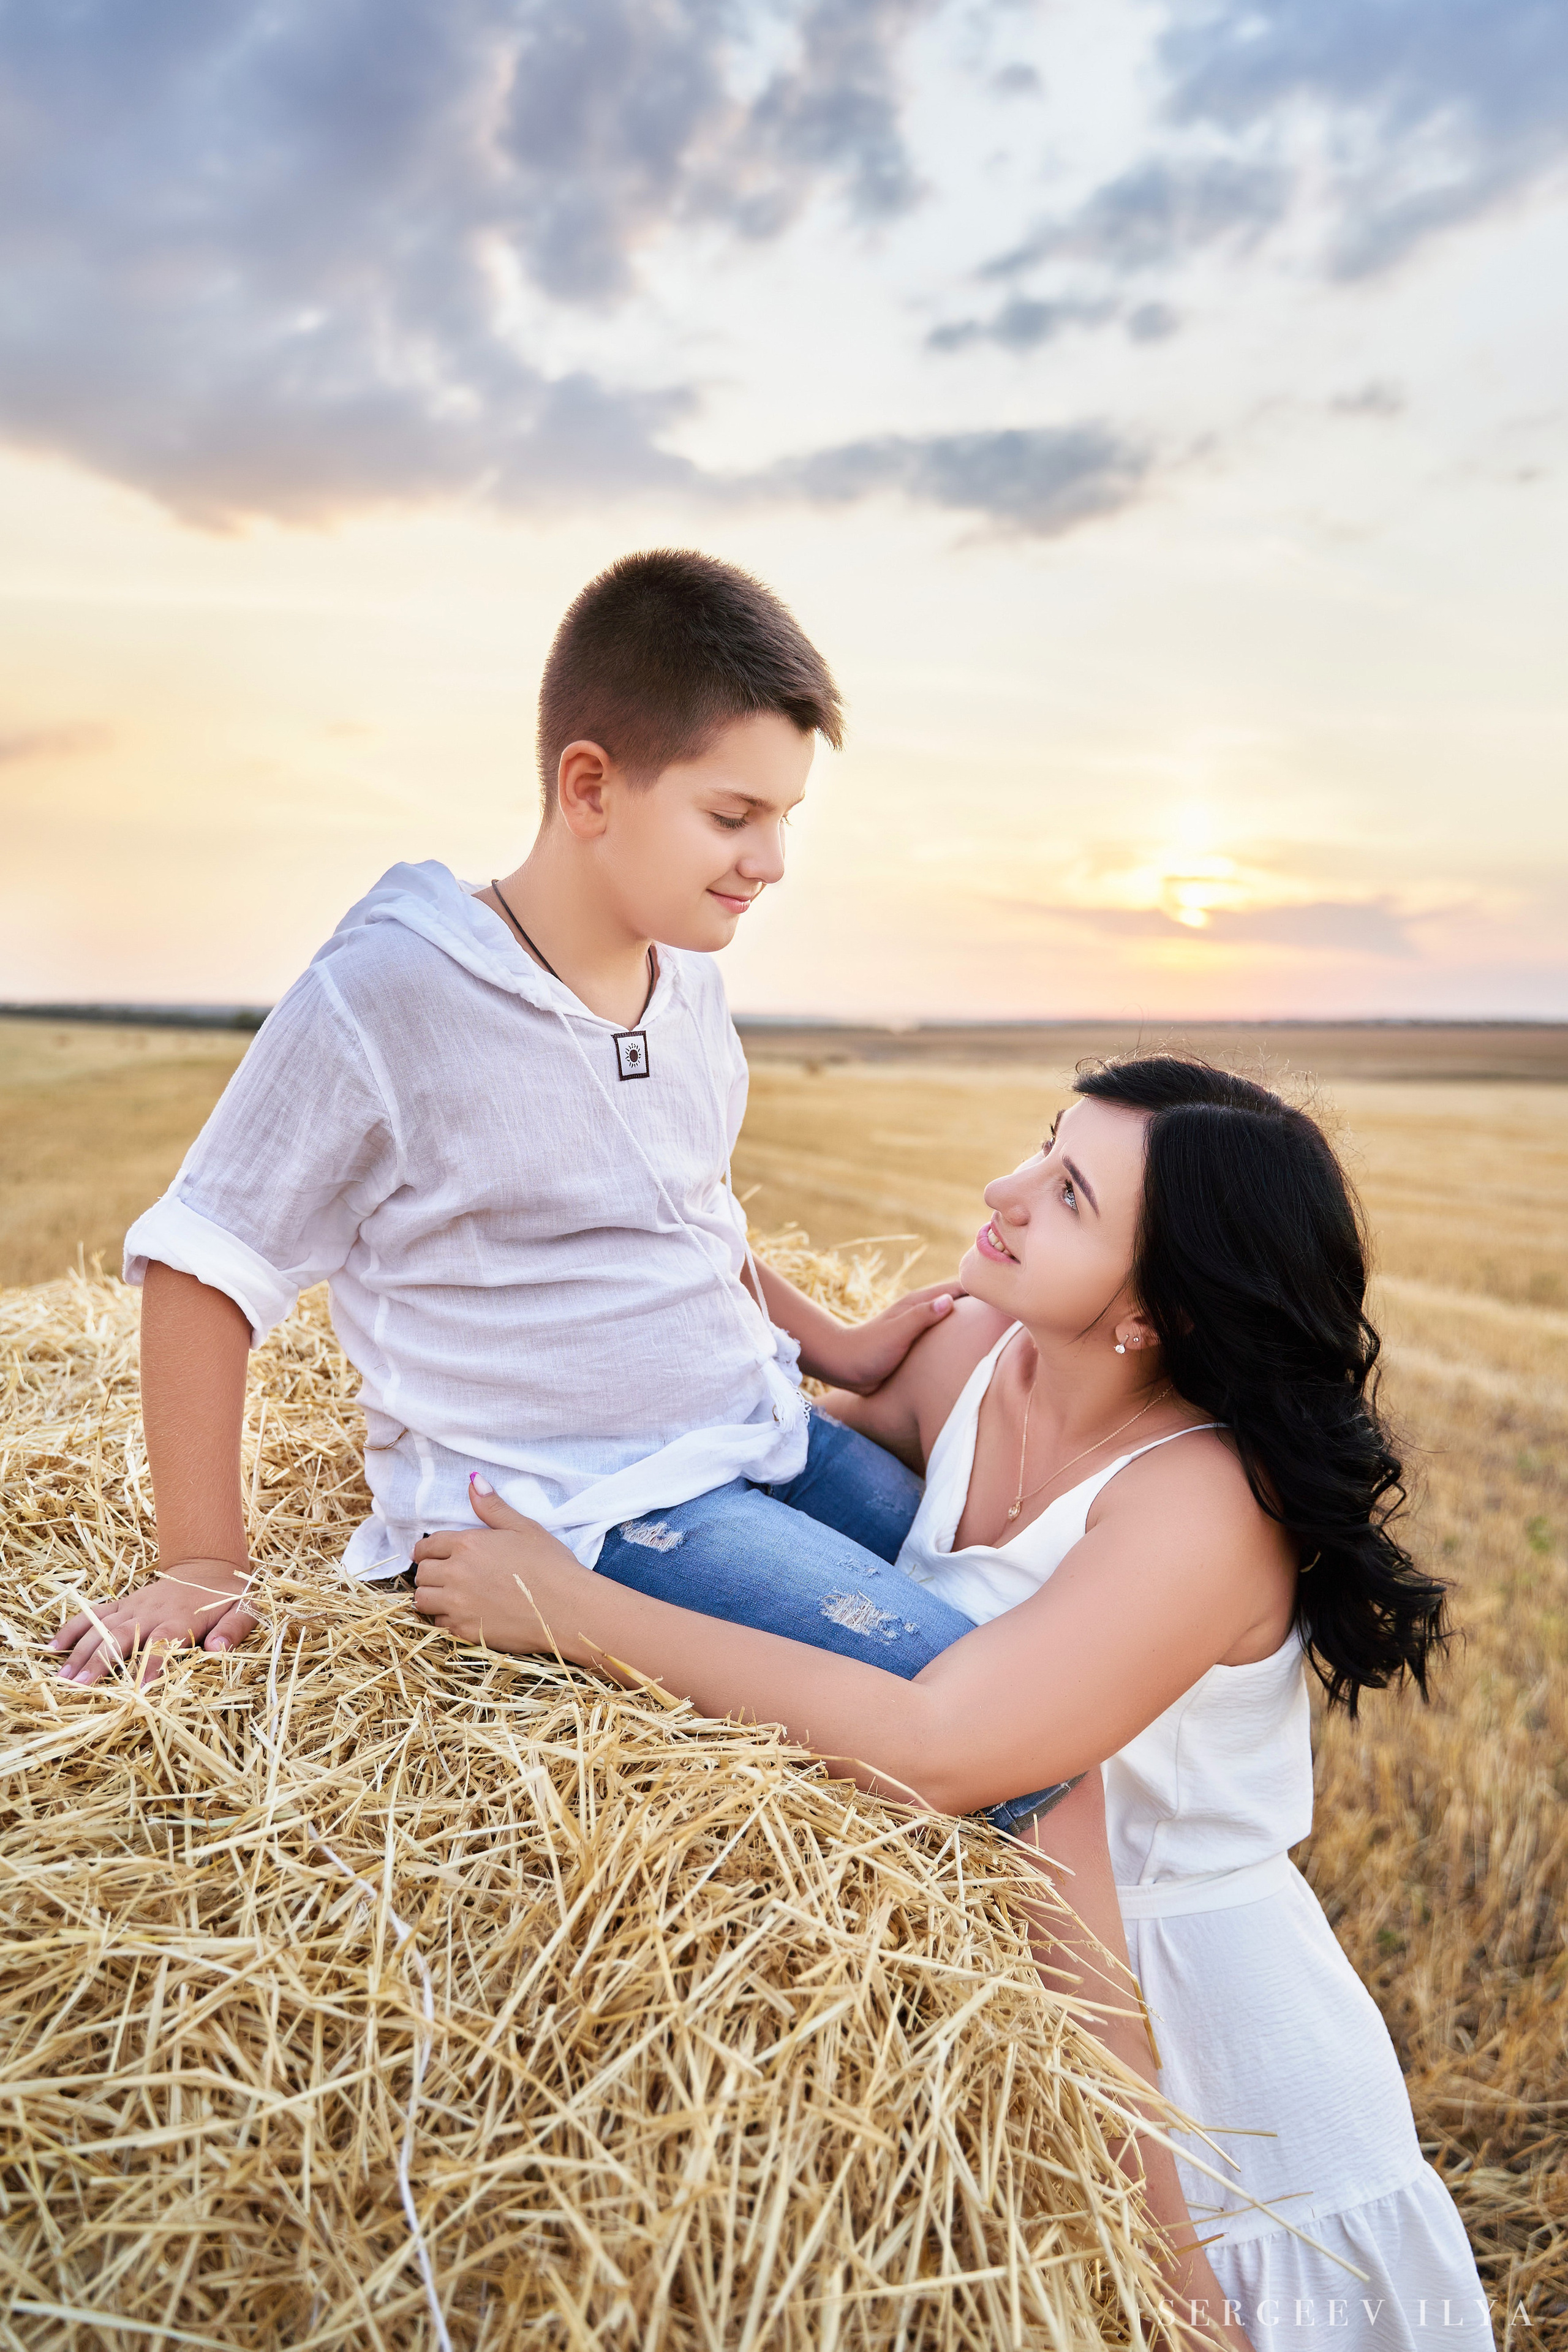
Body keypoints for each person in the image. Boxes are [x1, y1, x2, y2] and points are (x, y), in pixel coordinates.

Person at [405, 1058, 1492, 2351]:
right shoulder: (979, 1360)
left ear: (1163, 1307)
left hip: (1200, 2046)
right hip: (989, 1981)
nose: (1006, 1189)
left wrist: (576, 1616)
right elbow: (738, 1440)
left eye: (1070, 1193)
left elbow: (944, 1749)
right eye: (1043, 1145)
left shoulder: (1205, 1505)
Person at [50, 549, 976, 1691]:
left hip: (756, 1432)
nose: (772, 861)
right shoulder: (392, 991)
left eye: (785, 816)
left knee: (1029, 1598)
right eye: (734, 814)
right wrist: (202, 1560)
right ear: (589, 788)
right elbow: (206, 1261)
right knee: (959, 1684)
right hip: (576, 1506)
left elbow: (685, 1211)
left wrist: (832, 1346)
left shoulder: (688, 980)